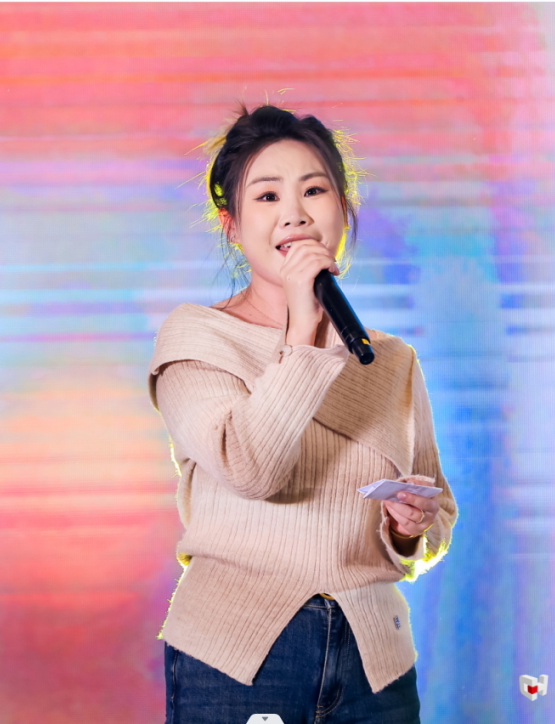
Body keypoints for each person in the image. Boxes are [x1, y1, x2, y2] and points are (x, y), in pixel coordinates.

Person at [147, 103, 459, 724]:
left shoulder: (389, 360)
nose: (295, 212)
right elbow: (251, 469)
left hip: (376, 661)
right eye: (267, 196)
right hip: (239, 655)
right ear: (232, 225)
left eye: (314, 191)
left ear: (342, 209)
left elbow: (438, 513)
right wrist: (302, 331)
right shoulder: (196, 338)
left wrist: (408, 529)